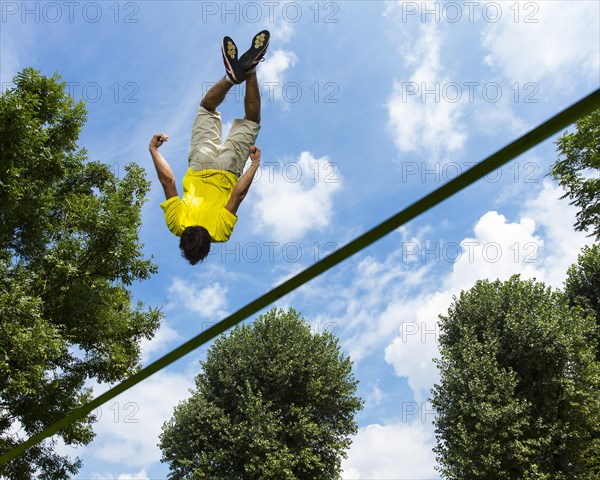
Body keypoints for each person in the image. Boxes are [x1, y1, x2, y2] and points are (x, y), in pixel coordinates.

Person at [149, 31, 270, 265]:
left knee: (252, 120)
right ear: (184, 239)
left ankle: (252, 70)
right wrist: (154, 151)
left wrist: (254, 165)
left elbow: (238, 194)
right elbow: (168, 181)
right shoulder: (176, 225)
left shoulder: (220, 233)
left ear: (207, 247)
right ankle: (231, 79)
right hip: (199, 163)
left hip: (228, 170)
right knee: (206, 108)